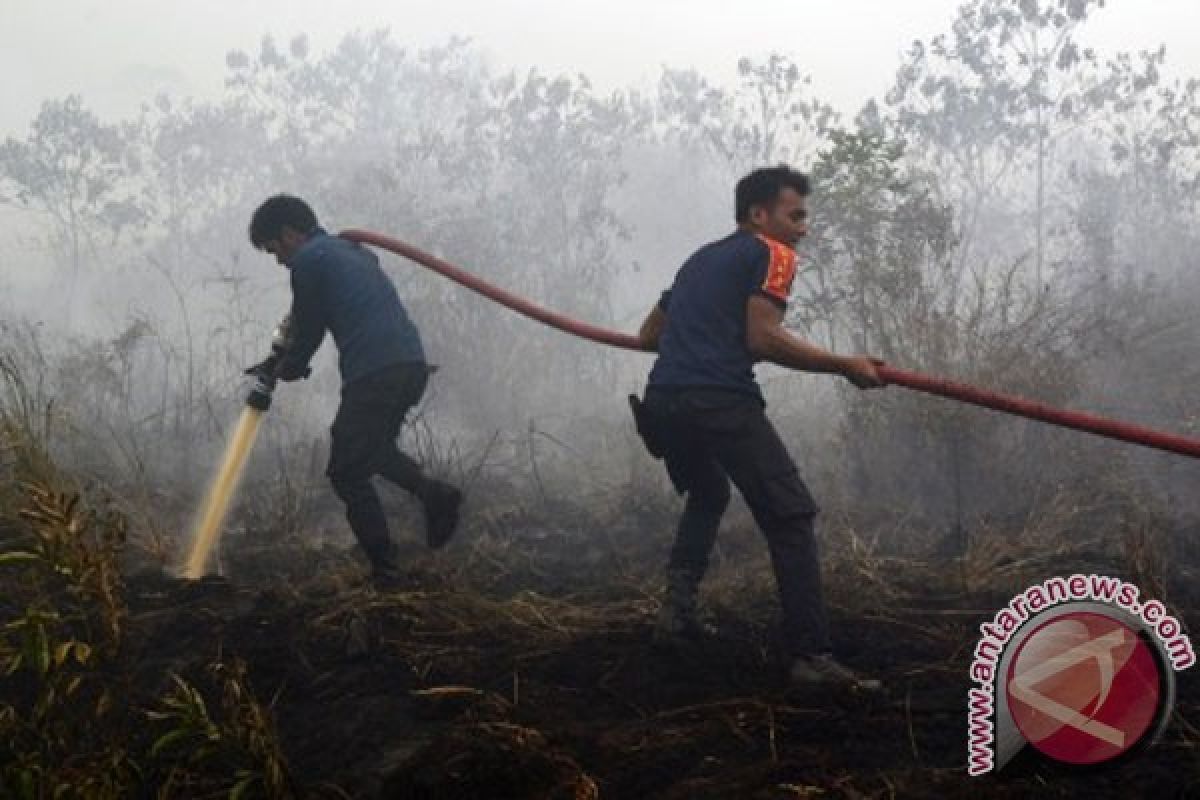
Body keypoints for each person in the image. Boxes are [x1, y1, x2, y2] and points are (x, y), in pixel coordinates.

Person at [632, 165, 885, 689]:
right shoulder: (772, 254)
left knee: (707, 493)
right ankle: (811, 657)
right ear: (759, 215)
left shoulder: (699, 259)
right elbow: (763, 339)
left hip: (664, 402)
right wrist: (846, 365)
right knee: (791, 515)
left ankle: (674, 618)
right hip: (719, 400)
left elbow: (648, 335)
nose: (802, 228)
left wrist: (699, 334)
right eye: (795, 215)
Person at [247, 194, 462, 584]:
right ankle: (436, 496)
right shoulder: (352, 251)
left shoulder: (308, 262)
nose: (278, 260)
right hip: (410, 366)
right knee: (374, 450)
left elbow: (309, 327)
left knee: (346, 471)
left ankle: (385, 569)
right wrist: (281, 360)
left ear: (289, 234)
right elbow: (313, 318)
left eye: (274, 250)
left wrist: (290, 367)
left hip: (374, 371)